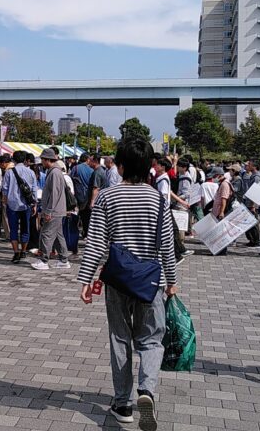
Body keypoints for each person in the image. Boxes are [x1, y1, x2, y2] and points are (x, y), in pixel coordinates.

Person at [77, 137, 177, 429]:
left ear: (119, 167)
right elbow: (167, 244)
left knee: (120, 339)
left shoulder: (108, 196)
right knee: (151, 340)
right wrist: (171, 280)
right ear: (150, 166)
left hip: (118, 280)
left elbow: (96, 242)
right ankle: (146, 391)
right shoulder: (158, 199)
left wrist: (86, 278)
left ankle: (123, 404)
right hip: (151, 281)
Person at [33, 148, 69, 270]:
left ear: (48, 159)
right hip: (57, 210)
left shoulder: (54, 172)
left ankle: (43, 260)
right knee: (58, 236)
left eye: (42, 159)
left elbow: (55, 193)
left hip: (53, 210)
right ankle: (64, 260)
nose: (41, 162)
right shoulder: (55, 171)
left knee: (46, 234)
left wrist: (49, 211)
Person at [2, 151, 39, 263]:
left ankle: (16, 252)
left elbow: (5, 188)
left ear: (13, 160)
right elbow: (34, 189)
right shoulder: (31, 172)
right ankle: (23, 251)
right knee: (25, 228)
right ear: (24, 160)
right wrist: (34, 204)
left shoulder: (9, 172)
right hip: (26, 204)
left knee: (13, 229)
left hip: (12, 204)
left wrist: (5, 200)